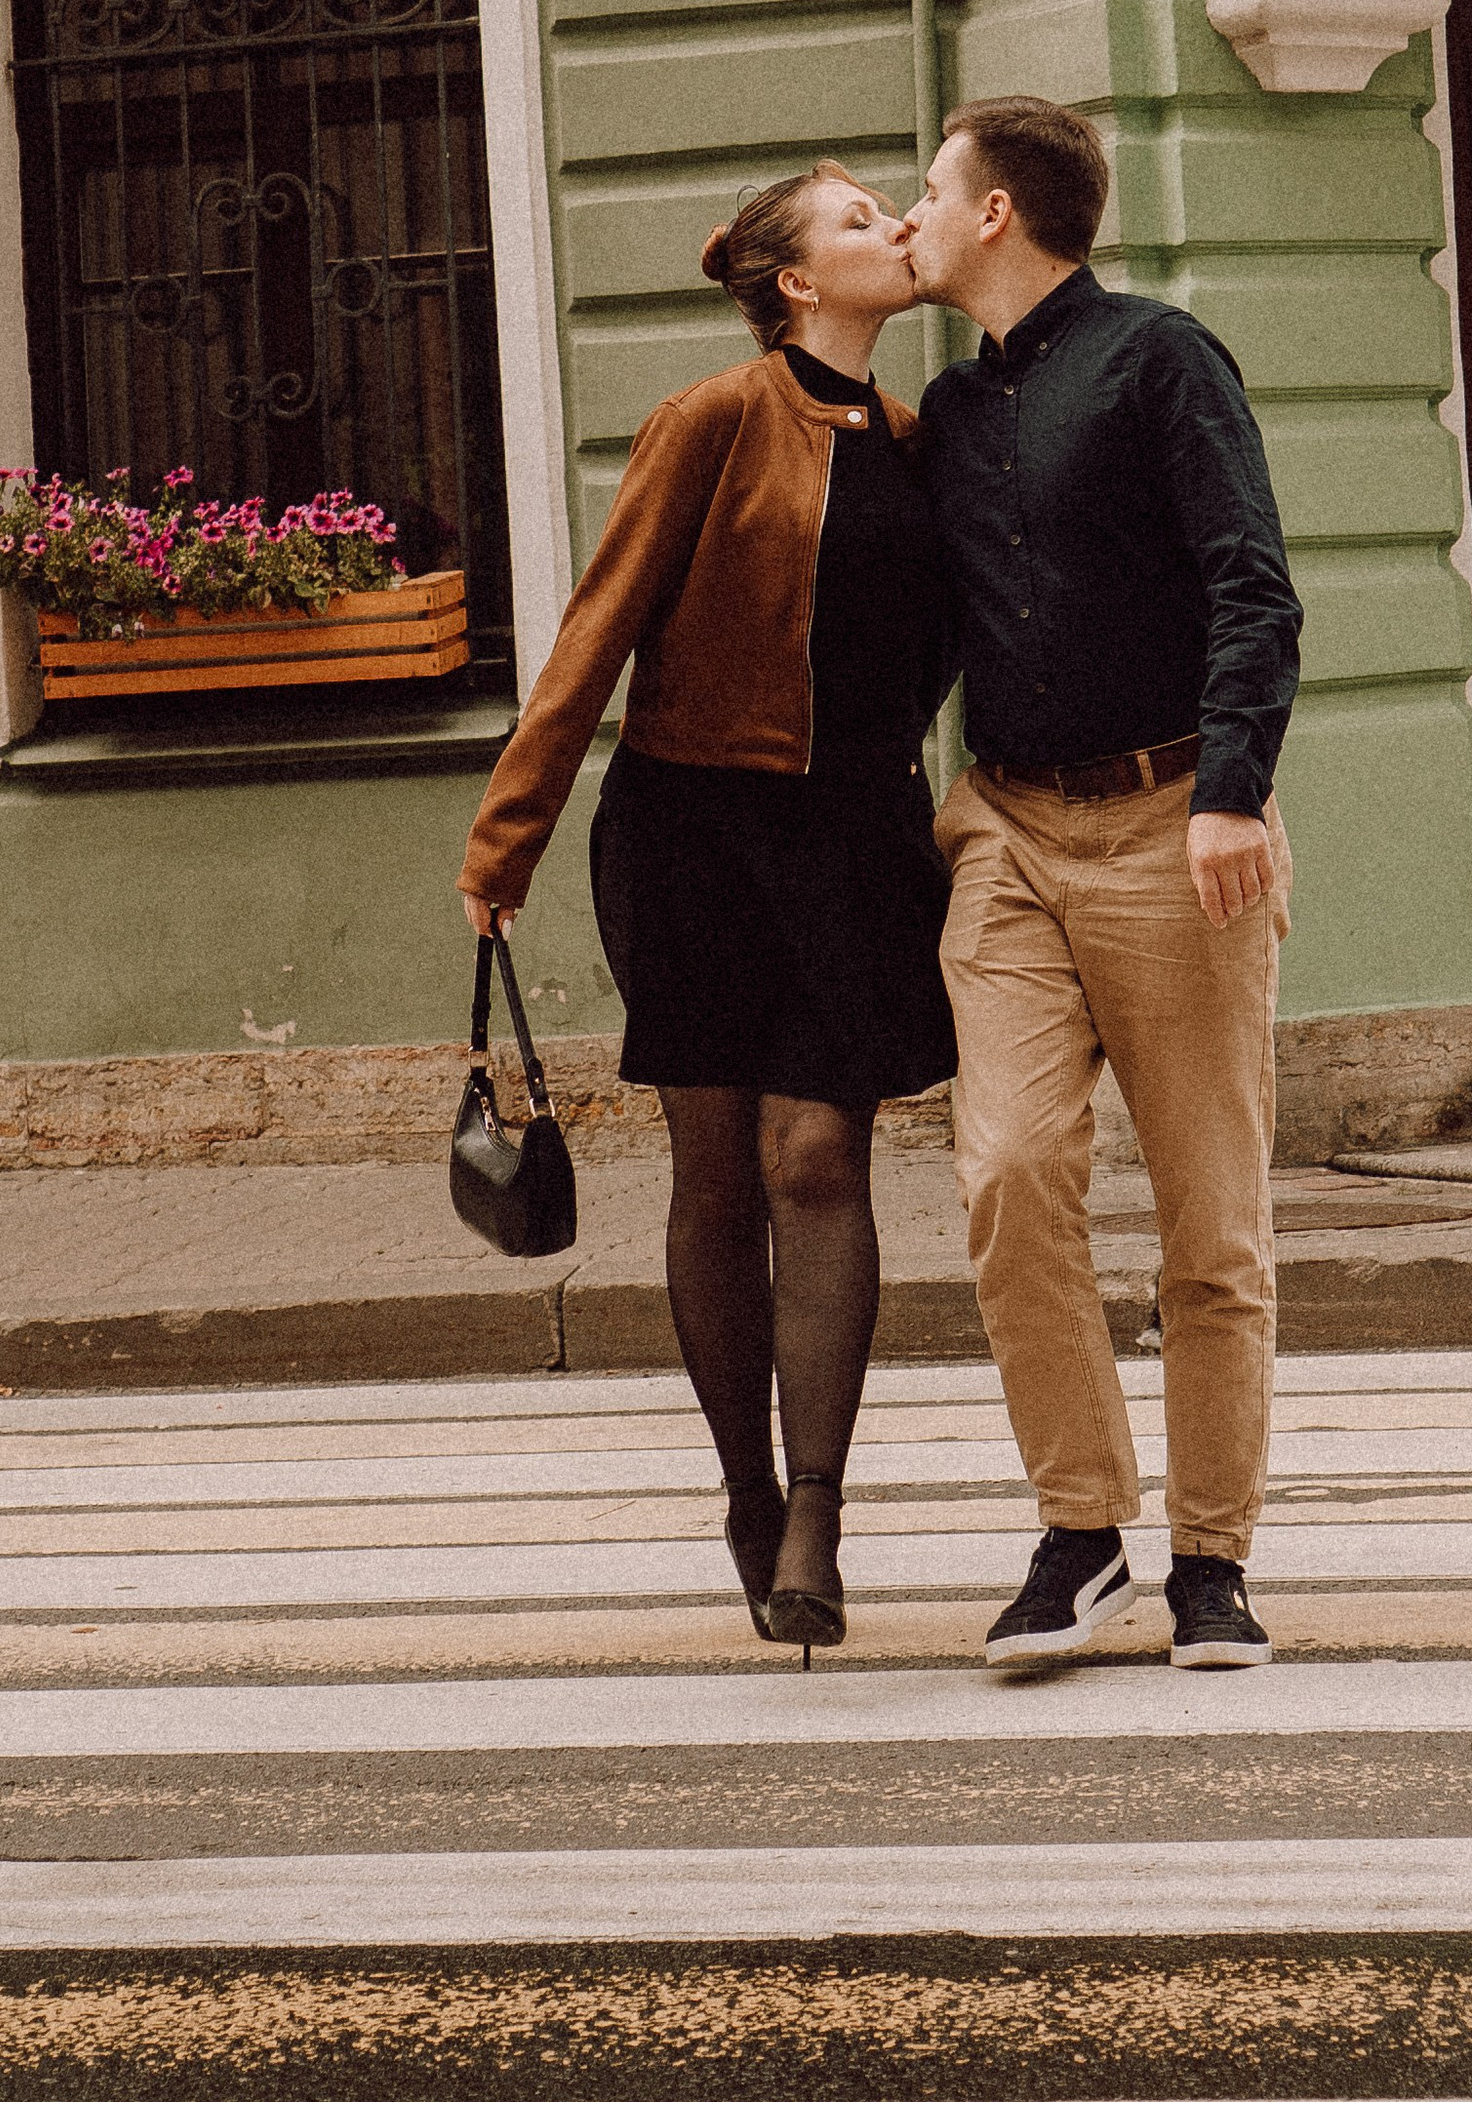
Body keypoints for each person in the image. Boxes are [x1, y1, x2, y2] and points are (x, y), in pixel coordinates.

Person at [457, 163, 954, 1654]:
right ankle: (748, 1492)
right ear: (794, 281)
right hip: (695, 826)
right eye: (860, 219)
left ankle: (817, 1510)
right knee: (721, 1172)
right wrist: (508, 837)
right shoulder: (716, 419)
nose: (891, 230)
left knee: (820, 1152)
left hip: (856, 834)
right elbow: (598, 622)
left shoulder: (923, 444)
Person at [903, 94, 1302, 1674]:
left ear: (998, 212)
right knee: (1007, 1169)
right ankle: (1083, 1534)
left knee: (1212, 1218)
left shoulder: (1159, 358)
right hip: (1004, 832)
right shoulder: (945, 410)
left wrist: (1231, 792)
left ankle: (1212, 1558)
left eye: (932, 191)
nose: (915, 217)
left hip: (1166, 828)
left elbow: (1249, 578)